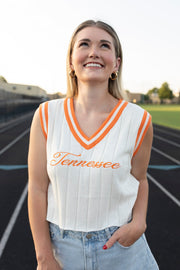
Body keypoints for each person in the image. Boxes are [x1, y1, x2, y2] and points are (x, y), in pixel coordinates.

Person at [28, 20, 159, 270]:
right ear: (70, 61)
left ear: (116, 63)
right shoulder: (46, 115)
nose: (93, 52)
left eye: (104, 46)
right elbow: (37, 188)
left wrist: (139, 221)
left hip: (122, 249)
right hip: (63, 252)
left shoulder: (138, 119)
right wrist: (44, 256)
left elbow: (140, 180)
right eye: (84, 44)